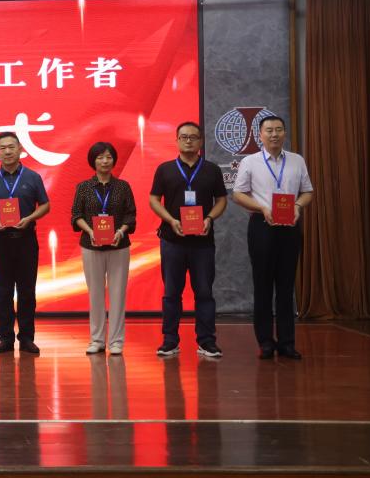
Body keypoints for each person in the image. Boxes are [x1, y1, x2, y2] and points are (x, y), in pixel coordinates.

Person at [232, 115, 314, 360]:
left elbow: (308, 191)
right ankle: (266, 342)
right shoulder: (250, 162)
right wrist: (262, 208)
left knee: (286, 287)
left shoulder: (297, 160)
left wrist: (298, 205)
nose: (274, 134)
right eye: (269, 130)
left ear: (284, 133)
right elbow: (238, 194)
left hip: (290, 226)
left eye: (279, 129)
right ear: (260, 135)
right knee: (263, 285)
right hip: (262, 225)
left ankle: (287, 343)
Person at [148, 122, 228, 358]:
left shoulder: (212, 170)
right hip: (172, 241)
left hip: (203, 243)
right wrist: (171, 220)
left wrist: (209, 218)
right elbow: (154, 199)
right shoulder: (165, 169)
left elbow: (221, 200)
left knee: (204, 293)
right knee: (172, 293)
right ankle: (170, 340)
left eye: (193, 137)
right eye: (184, 137)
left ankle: (207, 341)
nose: (189, 141)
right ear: (177, 140)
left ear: (201, 141)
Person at [0, 132, 51, 355]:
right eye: (3, 148)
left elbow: (45, 205)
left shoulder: (32, 177)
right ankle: (6, 338)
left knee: (27, 291)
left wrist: (30, 218)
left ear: (20, 150)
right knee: (3, 291)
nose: (7, 151)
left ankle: (27, 338)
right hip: (1, 241)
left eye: (11, 147)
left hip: (26, 240)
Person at [71, 142, 137, 356]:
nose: (105, 161)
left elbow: (130, 215)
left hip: (119, 246)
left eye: (108, 157)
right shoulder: (84, 187)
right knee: (95, 295)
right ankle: (97, 340)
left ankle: (116, 341)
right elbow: (76, 215)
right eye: (100, 157)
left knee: (118, 294)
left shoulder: (123, 186)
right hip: (91, 246)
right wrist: (90, 231)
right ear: (93, 161)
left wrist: (121, 231)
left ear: (114, 160)